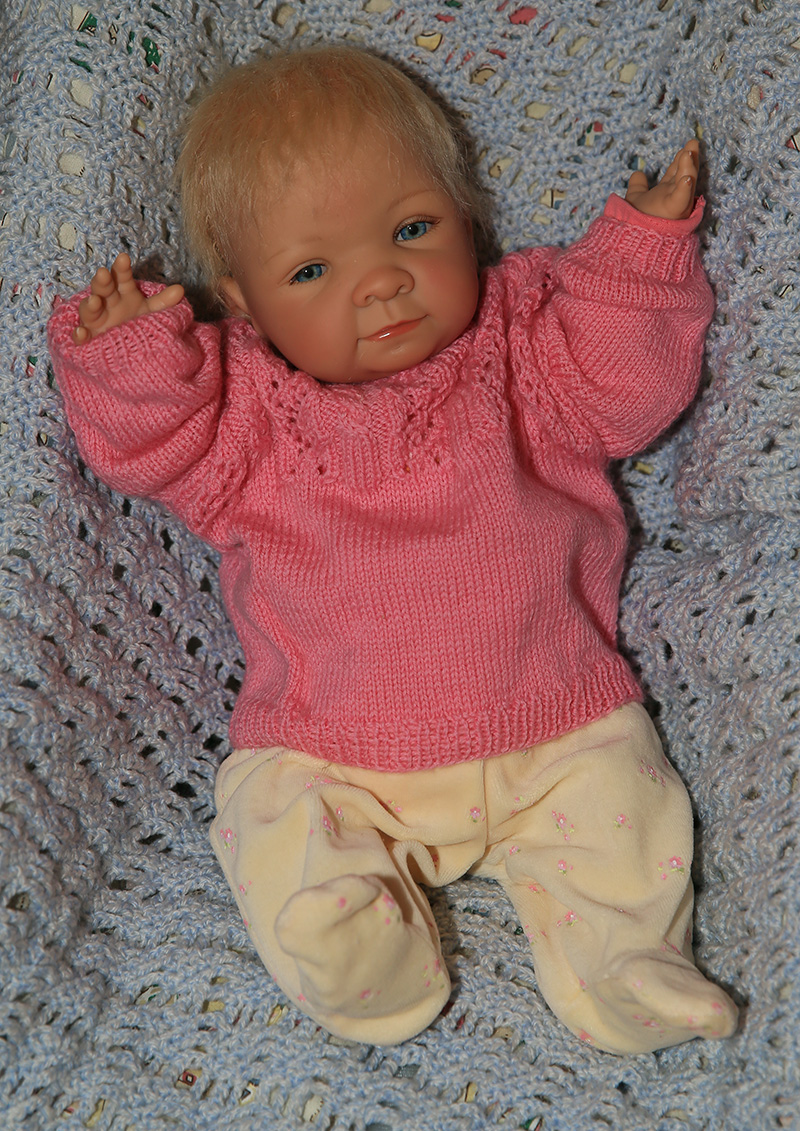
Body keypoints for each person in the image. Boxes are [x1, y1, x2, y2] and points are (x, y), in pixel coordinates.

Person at [47, 44, 739, 1053]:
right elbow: (144, 445)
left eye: (412, 230)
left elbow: (628, 388)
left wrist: (638, 255)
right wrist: (130, 354)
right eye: (311, 270)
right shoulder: (238, 411)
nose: (380, 284)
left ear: (465, 219)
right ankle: (354, 944)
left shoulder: (526, 342)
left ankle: (628, 959)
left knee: (622, 804)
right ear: (241, 302)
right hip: (334, 751)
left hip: (556, 720)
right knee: (270, 814)